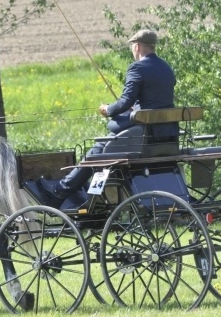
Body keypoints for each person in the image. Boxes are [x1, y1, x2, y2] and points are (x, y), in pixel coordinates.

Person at [38, 28, 177, 201]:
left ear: (138, 47)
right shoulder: (166, 68)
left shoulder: (137, 68)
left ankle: (62, 189)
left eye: (133, 46)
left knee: (100, 147)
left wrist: (107, 109)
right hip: (167, 134)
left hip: (143, 134)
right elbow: (155, 100)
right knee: (108, 138)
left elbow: (125, 101)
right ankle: (76, 187)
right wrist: (136, 107)